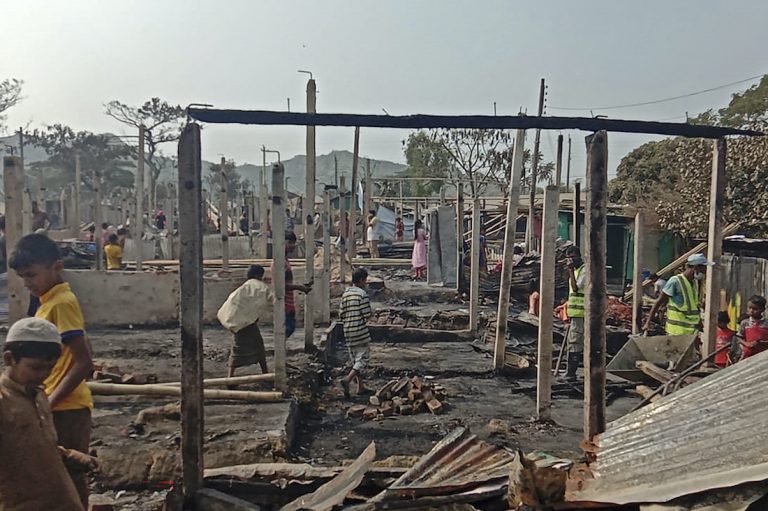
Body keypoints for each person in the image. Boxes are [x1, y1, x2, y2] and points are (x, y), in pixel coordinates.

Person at [9, 234, 94, 507]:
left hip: (66, 406)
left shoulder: (61, 303)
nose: (27, 283)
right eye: (23, 277)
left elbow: (83, 361)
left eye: (32, 275)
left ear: (56, 267)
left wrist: (49, 401)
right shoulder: (48, 301)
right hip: (53, 402)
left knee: (68, 475)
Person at [0, 317, 97, 511]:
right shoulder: (4, 402)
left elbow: (37, 444)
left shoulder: (38, 395)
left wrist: (71, 455)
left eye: (50, 368)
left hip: (60, 501)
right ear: (10, 359)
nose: (43, 374)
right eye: (35, 367)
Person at [217, 265, 274, 377]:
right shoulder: (259, 286)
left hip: (235, 322)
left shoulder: (243, 287)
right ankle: (232, 377)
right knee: (254, 348)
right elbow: (272, 301)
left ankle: (232, 376)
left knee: (239, 347)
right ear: (258, 275)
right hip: (246, 324)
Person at [643, 253, 713, 335]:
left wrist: (699, 323)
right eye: (703, 268)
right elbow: (659, 302)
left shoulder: (695, 283)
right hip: (676, 332)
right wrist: (647, 323)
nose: (705, 271)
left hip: (691, 331)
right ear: (696, 268)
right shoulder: (675, 281)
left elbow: (694, 307)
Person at [271, 232, 311, 338]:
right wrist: (300, 287)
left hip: (287, 302)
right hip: (283, 303)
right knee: (287, 329)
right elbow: (281, 285)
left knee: (289, 328)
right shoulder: (279, 262)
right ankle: (278, 352)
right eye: (290, 243)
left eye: (294, 243)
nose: (293, 246)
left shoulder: (285, 261)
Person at [339, 268, 372, 398]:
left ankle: (360, 387)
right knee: (362, 359)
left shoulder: (346, 294)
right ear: (360, 280)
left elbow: (341, 313)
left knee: (355, 360)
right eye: (365, 280)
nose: (366, 283)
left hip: (347, 330)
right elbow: (366, 313)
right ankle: (347, 379)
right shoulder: (362, 295)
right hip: (360, 330)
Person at [564, 245, 586, 380]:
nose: (571, 261)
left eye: (573, 257)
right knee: (571, 341)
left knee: (575, 342)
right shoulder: (577, 271)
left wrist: (571, 271)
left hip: (582, 313)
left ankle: (571, 374)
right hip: (574, 313)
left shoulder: (584, 270)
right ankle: (569, 371)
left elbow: (576, 288)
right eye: (568, 258)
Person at [736, 295, 768, 360]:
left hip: (764, 355)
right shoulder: (745, 323)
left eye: (755, 309)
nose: (751, 310)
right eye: (749, 308)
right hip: (748, 355)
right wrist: (747, 344)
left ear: (762, 310)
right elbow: (738, 338)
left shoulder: (766, 323)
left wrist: (763, 343)